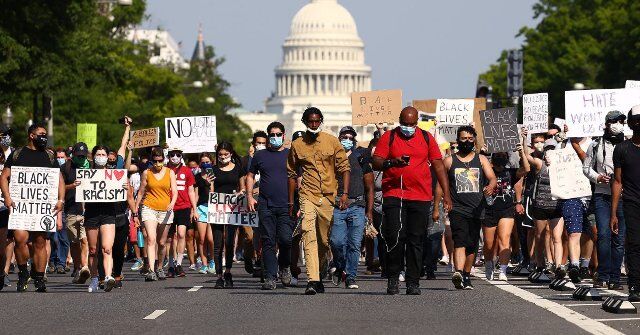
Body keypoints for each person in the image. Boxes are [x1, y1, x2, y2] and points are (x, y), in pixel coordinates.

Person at [372, 107, 452, 295]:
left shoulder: (426, 137)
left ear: (416, 122)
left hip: (420, 196)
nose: (408, 128)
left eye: (412, 124)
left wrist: (447, 194)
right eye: (405, 124)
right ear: (399, 120)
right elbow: (376, 161)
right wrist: (392, 162)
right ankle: (393, 278)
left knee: (416, 240)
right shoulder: (389, 137)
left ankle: (413, 281)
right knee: (396, 238)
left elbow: (439, 166)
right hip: (394, 194)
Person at [287, 107, 350, 295]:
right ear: (304, 122)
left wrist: (344, 194)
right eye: (310, 121)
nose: (313, 125)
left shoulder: (332, 141)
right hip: (308, 194)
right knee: (308, 233)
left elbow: (344, 168)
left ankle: (321, 270)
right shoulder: (297, 145)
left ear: (321, 121)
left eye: (316, 121)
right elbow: (291, 173)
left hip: (328, 197)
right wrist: (291, 202)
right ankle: (312, 280)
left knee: (324, 240)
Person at [0, 122, 65, 292]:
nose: (44, 137)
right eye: (41, 134)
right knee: (20, 239)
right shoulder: (17, 154)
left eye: (45, 134)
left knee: (40, 241)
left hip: (42, 208)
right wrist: (7, 197)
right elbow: (4, 177)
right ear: (31, 135)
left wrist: (61, 200)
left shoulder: (49, 157)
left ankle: (39, 277)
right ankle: (23, 273)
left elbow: (59, 180)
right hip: (20, 207)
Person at [437, 126, 495, 289]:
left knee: (472, 244)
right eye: (463, 139)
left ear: (474, 140)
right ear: (458, 139)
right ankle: (459, 272)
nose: (467, 142)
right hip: (457, 209)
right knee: (460, 240)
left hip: (477, 209)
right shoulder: (449, 161)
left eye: (470, 139)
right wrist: (437, 206)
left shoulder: (481, 160)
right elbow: (440, 185)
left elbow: (492, 178)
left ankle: (467, 275)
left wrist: (490, 186)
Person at [83, 118, 130, 292]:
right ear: (93, 157)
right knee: (94, 250)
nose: (101, 157)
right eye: (98, 154)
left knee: (107, 248)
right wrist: (80, 185)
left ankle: (109, 276)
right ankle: (95, 278)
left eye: (104, 154)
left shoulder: (114, 172)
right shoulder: (87, 173)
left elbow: (122, 149)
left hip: (109, 214)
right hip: (92, 214)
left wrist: (127, 128)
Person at [247, 122, 294, 290]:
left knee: (286, 240)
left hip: (286, 205)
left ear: (284, 135)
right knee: (268, 241)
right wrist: (250, 196)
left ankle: (285, 267)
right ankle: (270, 277)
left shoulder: (290, 155)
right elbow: (250, 175)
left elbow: (299, 178)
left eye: (278, 134)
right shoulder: (261, 156)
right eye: (272, 135)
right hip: (265, 204)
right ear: (268, 137)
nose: (275, 137)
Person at [583, 111, 626, 290]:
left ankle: (615, 278)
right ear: (607, 124)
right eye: (615, 121)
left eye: (621, 121)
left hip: (623, 197)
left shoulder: (628, 144)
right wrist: (597, 177)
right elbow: (586, 168)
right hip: (602, 195)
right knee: (603, 235)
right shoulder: (595, 144)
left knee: (619, 238)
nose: (618, 124)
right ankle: (603, 274)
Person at [329, 126, 374, 290]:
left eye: (350, 137)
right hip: (338, 206)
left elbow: (370, 187)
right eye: (344, 137)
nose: (347, 139)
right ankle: (339, 265)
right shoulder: (333, 157)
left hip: (358, 206)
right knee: (336, 241)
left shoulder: (360, 157)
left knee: (354, 244)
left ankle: (351, 276)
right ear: (339, 138)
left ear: (354, 139)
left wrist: (369, 211)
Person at [482, 130, 530, 282]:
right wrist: (482, 152)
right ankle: (489, 263)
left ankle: (503, 269)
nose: (500, 157)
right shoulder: (485, 171)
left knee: (505, 238)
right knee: (489, 244)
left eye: (503, 155)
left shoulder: (511, 172)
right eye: (498, 155)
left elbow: (527, 169)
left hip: (506, 209)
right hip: (488, 210)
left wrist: (522, 152)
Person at [524, 134, 564, 281]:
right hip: (540, 205)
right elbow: (527, 157)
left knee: (557, 237)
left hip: (557, 206)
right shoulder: (540, 164)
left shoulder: (562, 166)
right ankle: (540, 264)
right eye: (548, 149)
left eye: (553, 149)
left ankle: (559, 266)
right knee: (540, 237)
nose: (550, 152)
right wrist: (523, 140)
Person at [135, 147, 178, 281]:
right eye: (155, 161)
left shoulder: (170, 172)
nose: (157, 164)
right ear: (151, 160)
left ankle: (160, 267)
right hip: (149, 208)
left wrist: (172, 203)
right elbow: (141, 191)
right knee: (151, 239)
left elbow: (175, 191)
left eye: (160, 161)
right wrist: (136, 209)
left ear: (164, 160)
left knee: (162, 242)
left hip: (165, 210)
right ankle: (151, 270)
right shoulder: (146, 173)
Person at [611, 105, 640, 302]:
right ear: (629, 123)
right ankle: (635, 285)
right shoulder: (621, 149)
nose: (639, 123)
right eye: (636, 120)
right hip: (632, 202)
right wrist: (613, 213)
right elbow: (618, 181)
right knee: (635, 244)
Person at [210, 141, 245, 289]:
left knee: (230, 242)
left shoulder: (238, 169)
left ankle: (228, 272)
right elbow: (211, 192)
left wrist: (239, 194)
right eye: (220, 154)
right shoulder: (212, 170)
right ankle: (219, 276)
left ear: (231, 154)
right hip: (217, 210)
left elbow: (242, 188)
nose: (223, 157)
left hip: (233, 209)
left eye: (225, 154)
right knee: (218, 244)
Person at [61, 142, 91, 284]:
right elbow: (58, 188)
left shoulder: (91, 167)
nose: (80, 158)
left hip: (86, 211)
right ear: (73, 155)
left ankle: (84, 267)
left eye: (83, 156)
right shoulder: (65, 168)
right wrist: (71, 186)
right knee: (74, 242)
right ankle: (78, 267)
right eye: (78, 156)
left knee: (84, 239)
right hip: (71, 210)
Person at [166, 147, 197, 278]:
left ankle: (179, 263)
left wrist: (194, 209)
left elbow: (191, 190)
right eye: (172, 154)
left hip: (184, 206)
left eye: (177, 154)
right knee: (170, 237)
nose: (175, 157)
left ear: (181, 156)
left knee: (181, 234)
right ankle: (171, 265)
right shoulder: (165, 170)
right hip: (168, 207)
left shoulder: (187, 171)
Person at [241, 131, 268, 275]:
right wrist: (245, 190)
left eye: (264, 143)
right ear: (253, 144)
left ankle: (260, 261)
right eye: (259, 143)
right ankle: (248, 256)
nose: (261, 146)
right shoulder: (245, 161)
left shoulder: (269, 159)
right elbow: (241, 178)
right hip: (248, 201)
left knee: (262, 233)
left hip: (264, 201)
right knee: (249, 236)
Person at [194, 153, 216, 275]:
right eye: (203, 162)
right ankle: (204, 263)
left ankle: (212, 261)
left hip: (212, 208)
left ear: (211, 163)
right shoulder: (197, 177)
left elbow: (213, 192)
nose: (205, 164)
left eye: (207, 162)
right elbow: (196, 194)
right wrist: (194, 209)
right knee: (201, 239)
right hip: (201, 208)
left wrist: (210, 181)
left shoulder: (214, 175)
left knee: (211, 239)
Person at [0, 125, 12, 289]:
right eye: (3, 135)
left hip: (5, 206)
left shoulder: (15, 155)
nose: (6, 138)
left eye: (8, 135)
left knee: (5, 242)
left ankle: (4, 272)